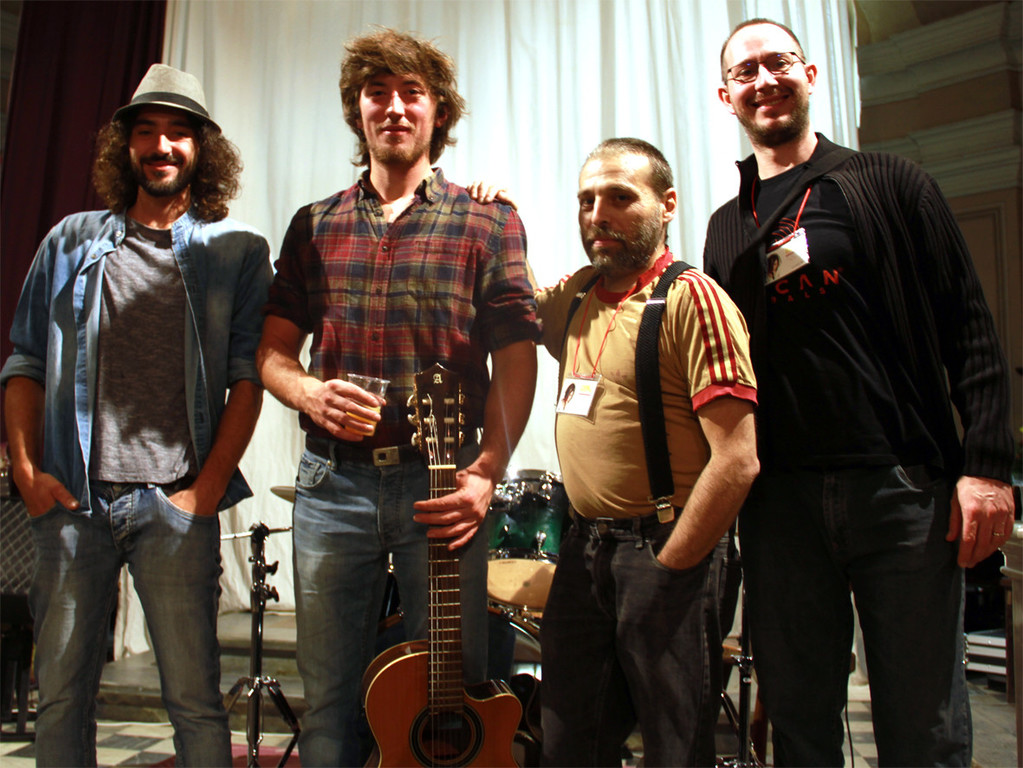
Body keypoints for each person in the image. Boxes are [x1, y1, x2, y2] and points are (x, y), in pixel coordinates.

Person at [704, 18, 1016, 766]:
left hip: (900, 493)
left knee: (923, 727)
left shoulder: (890, 183)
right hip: (780, 505)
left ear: (809, 74)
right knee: (799, 722)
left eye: (778, 62)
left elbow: (970, 327)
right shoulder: (725, 228)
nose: (764, 80)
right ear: (726, 96)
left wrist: (985, 468)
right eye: (745, 72)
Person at [256, 28, 539, 766]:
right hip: (332, 484)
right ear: (356, 111)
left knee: (454, 698)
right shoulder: (314, 224)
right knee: (328, 703)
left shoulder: (489, 220)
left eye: (412, 93)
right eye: (376, 93)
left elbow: (516, 352)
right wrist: (307, 393)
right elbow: (271, 353)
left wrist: (488, 470)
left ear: (438, 111)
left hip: (441, 484)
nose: (394, 107)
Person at [2, 64, 272, 766]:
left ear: (201, 149)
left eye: (178, 132)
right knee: (61, 699)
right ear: (125, 146)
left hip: (174, 505)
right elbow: (25, 361)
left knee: (195, 702)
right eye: (146, 131)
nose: (161, 146)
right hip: (73, 503)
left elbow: (248, 379)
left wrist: (203, 494)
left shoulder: (237, 251)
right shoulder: (69, 241)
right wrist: (27, 471)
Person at [535, 138, 760, 766]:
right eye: (586, 200)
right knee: (568, 746)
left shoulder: (695, 300)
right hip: (583, 550)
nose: (597, 214)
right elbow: (506, 297)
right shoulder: (577, 296)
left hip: (664, 547)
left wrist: (671, 563)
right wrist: (495, 212)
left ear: (667, 204)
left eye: (619, 197)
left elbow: (738, 459)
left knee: (675, 749)